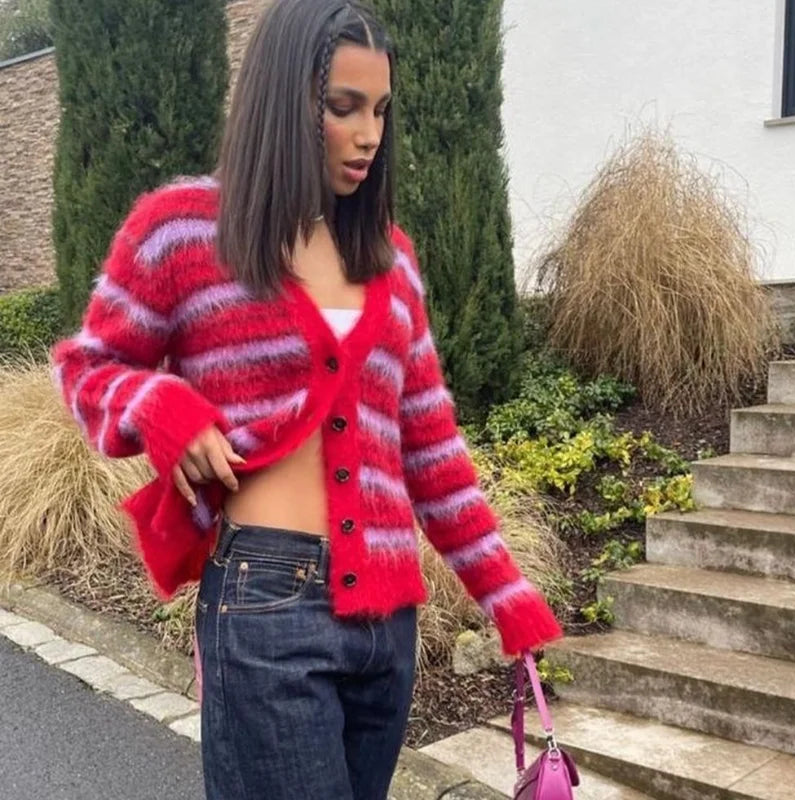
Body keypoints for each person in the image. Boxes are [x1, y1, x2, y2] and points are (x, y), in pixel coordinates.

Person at [50, 1, 563, 797]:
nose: (368, 135)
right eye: (343, 107)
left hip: (388, 620)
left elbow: (431, 450)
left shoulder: (392, 261)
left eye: (381, 111)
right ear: (286, 100)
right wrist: (160, 407)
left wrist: (507, 593)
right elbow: (88, 367)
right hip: (267, 602)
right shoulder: (182, 231)